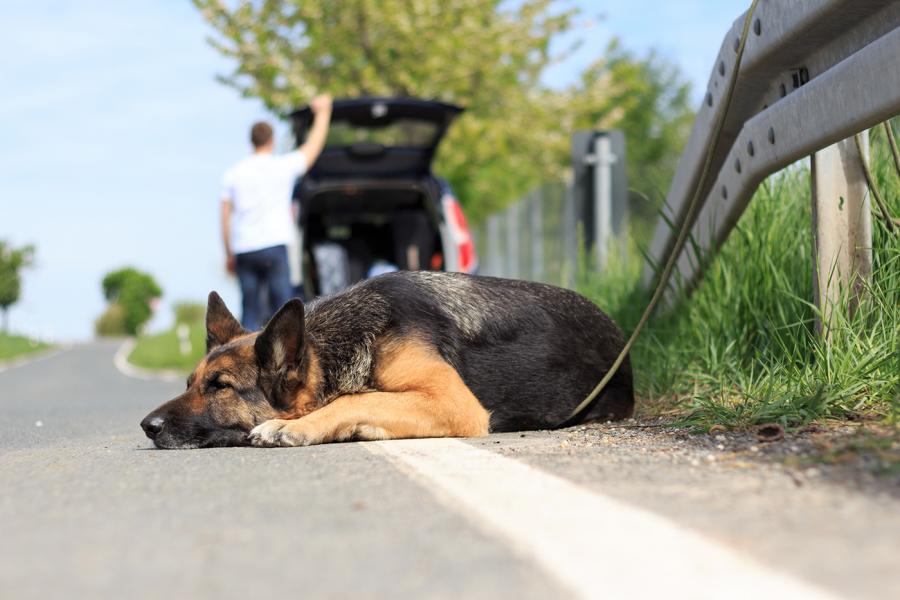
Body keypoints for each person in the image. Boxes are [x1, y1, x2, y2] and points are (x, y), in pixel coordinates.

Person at [220, 94, 332, 330]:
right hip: (274, 246)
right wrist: (323, 113)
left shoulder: (234, 173)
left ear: (251, 141)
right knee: (283, 313)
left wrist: (229, 253)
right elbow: (312, 148)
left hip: (245, 249)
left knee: (250, 311)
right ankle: (289, 364)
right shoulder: (282, 167)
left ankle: (247, 362)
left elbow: (225, 216)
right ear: (271, 140)